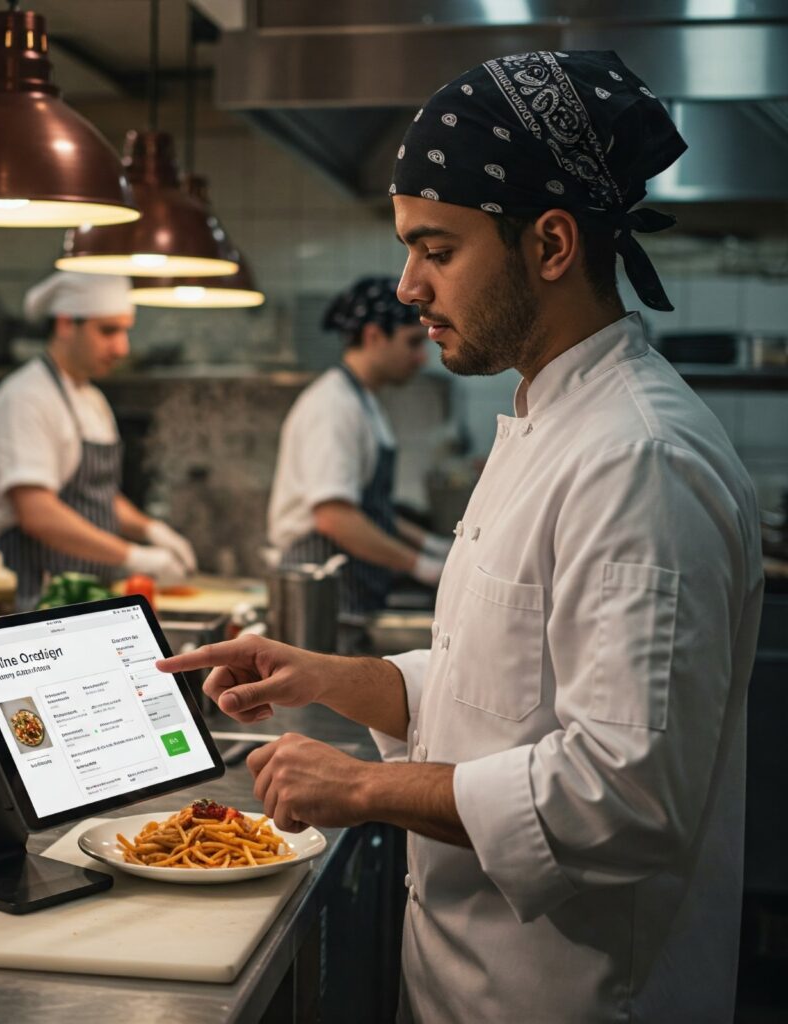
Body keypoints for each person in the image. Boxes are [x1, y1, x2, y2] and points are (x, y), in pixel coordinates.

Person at [159, 50, 764, 1024]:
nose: (405, 287)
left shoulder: (634, 458)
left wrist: (362, 784)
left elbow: (623, 796)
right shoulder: (548, 418)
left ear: (551, 244)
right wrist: (322, 675)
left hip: (570, 999)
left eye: (436, 250)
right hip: (468, 985)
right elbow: (495, 686)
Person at [0, 271, 196, 605]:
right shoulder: (25, 399)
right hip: (35, 597)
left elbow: (98, 495)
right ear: (66, 324)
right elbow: (37, 512)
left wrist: (151, 530)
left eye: (125, 331)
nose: (122, 347)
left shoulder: (91, 399)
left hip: (86, 595)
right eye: (108, 331)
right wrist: (134, 556)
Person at [267, 276, 451, 614]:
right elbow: (335, 518)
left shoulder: (363, 402)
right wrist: (421, 566)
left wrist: (432, 546)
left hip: (349, 592)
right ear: (373, 336)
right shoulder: (334, 406)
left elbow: (368, 511)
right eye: (412, 343)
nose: (422, 357)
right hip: (321, 593)